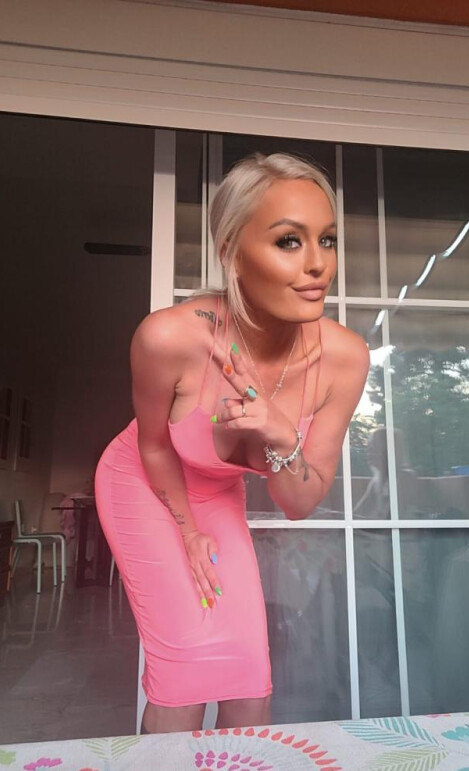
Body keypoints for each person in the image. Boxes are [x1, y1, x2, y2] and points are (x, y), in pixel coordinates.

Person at [94, 152, 370, 734]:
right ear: (232, 252)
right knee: (187, 669)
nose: (319, 264)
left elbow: (299, 502)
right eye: (289, 241)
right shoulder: (168, 338)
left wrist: (278, 431)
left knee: (247, 675)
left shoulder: (345, 359)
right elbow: (153, 447)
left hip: (217, 491)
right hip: (143, 480)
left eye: (327, 239)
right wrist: (187, 531)